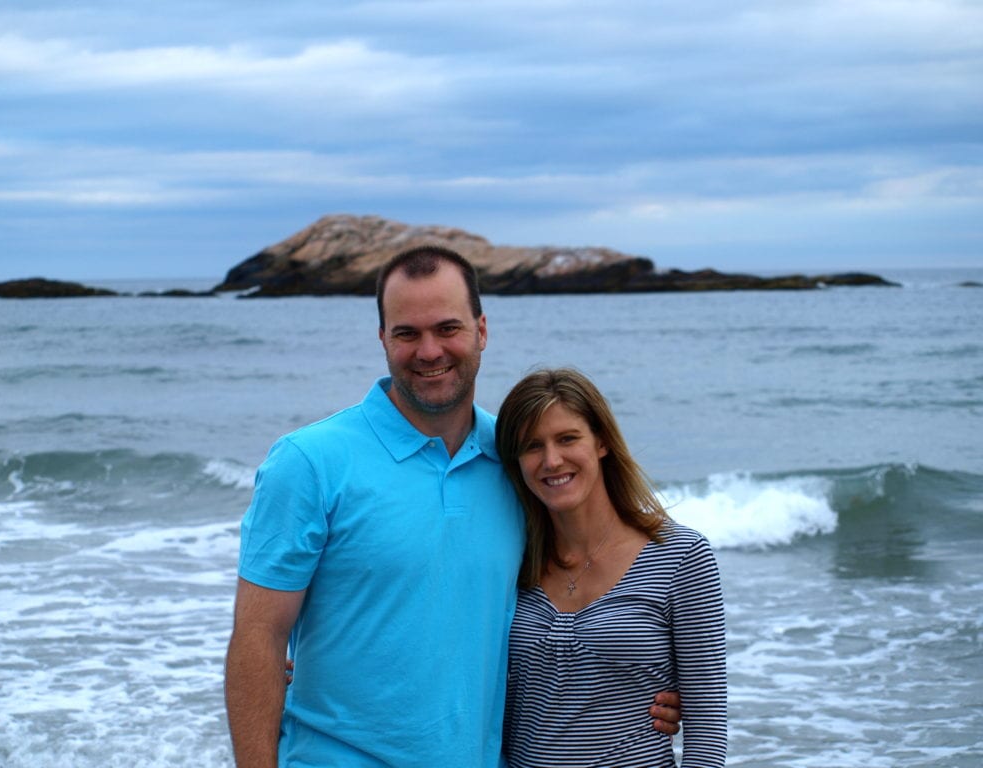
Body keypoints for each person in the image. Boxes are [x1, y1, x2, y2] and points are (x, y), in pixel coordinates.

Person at [224, 246, 681, 767]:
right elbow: (259, 636)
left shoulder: (517, 459)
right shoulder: (308, 462)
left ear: (481, 331)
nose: (429, 351)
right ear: (382, 339)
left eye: (447, 328)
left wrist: (650, 683)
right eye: (406, 333)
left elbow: (576, 591)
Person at [495, 367, 727, 767]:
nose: (552, 460)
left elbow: (707, 734)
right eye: (532, 446)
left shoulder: (681, 557)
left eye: (568, 439)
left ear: (601, 441)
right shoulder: (509, 560)